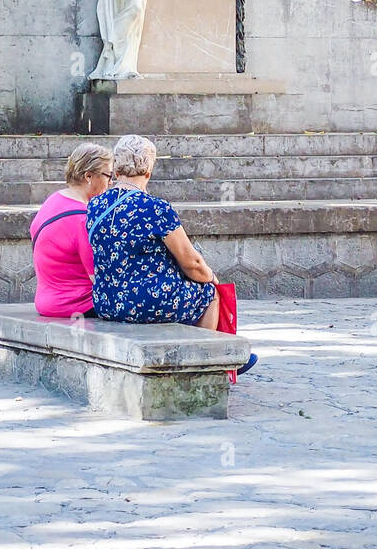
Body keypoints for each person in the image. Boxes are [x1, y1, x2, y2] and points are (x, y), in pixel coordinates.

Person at [87, 134, 257, 373]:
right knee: (209, 294)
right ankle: (205, 364)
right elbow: (192, 263)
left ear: (115, 170)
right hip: (145, 302)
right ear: (148, 172)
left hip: (107, 301)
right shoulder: (155, 208)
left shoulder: (95, 205)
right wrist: (211, 278)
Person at [30, 142, 113, 319]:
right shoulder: (82, 219)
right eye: (108, 175)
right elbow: (97, 277)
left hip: (46, 301)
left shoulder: (52, 201)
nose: (110, 182)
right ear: (89, 176)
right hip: (78, 304)